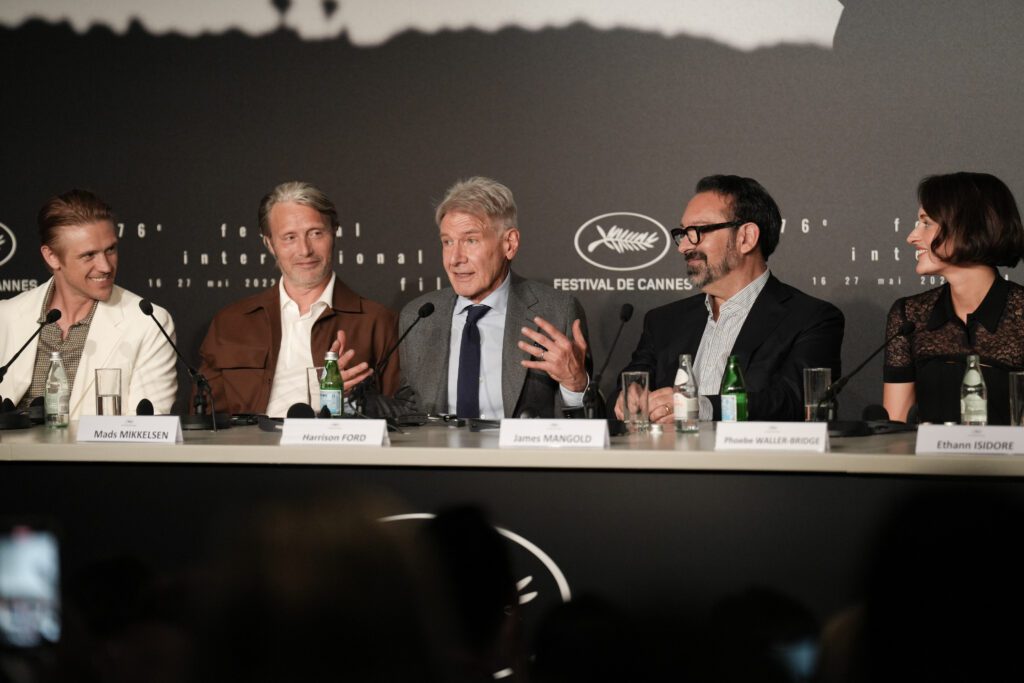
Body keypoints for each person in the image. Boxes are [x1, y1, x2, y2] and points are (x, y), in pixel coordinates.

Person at [614, 175, 844, 423]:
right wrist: (629, 400)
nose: (683, 247)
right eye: (683, 233)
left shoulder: (811, 319)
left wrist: (699, 408)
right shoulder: (663, 322)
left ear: (746, 237)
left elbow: (795, 402)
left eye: (698, 231)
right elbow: (625, 395)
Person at [197, 181, 399, 417]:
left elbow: (400, 413)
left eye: (315, 233)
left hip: (337, 449)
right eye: (289, 237)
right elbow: (204, 417)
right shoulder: (230, 322)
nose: (305, 250)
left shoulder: (377, 322)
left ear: (334, 232)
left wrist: (352, 400)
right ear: (269, 244)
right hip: (251, 451)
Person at [399, 176, 591, 419]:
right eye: (447, 242)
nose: (455, 258)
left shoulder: (556, 311)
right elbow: (407, 410)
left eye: (470, 240)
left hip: (522, 456)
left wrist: (574, 385)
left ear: (509, 244)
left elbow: (588, 423)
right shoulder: (419, 316)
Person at [0, 189, 177, 417]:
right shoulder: (6, 317)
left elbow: (147, 432)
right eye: (88, 255)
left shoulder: (148, 323)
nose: (105, 266)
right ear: (52, 256)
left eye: (110, 249)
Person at [882, 172, 1024, 424]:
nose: (912, 237)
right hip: (929, 464)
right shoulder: (909, 315)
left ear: (969, 227)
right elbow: (895, 429)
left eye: (926, 223)